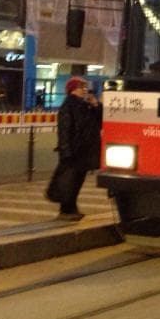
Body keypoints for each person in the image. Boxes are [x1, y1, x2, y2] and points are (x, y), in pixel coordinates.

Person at [47, 76, 102, 220]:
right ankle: (67, 209)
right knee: (70, 181)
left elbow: (99, 121)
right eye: (82, 87)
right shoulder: (69, 106)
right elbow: (64, 130)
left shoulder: (85, 105)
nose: (85, 90)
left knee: (77, 180)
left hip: (83, 150)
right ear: (74, 89)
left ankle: (71, 207)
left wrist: (96, 105)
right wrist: (66, 151)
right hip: (75, 151)